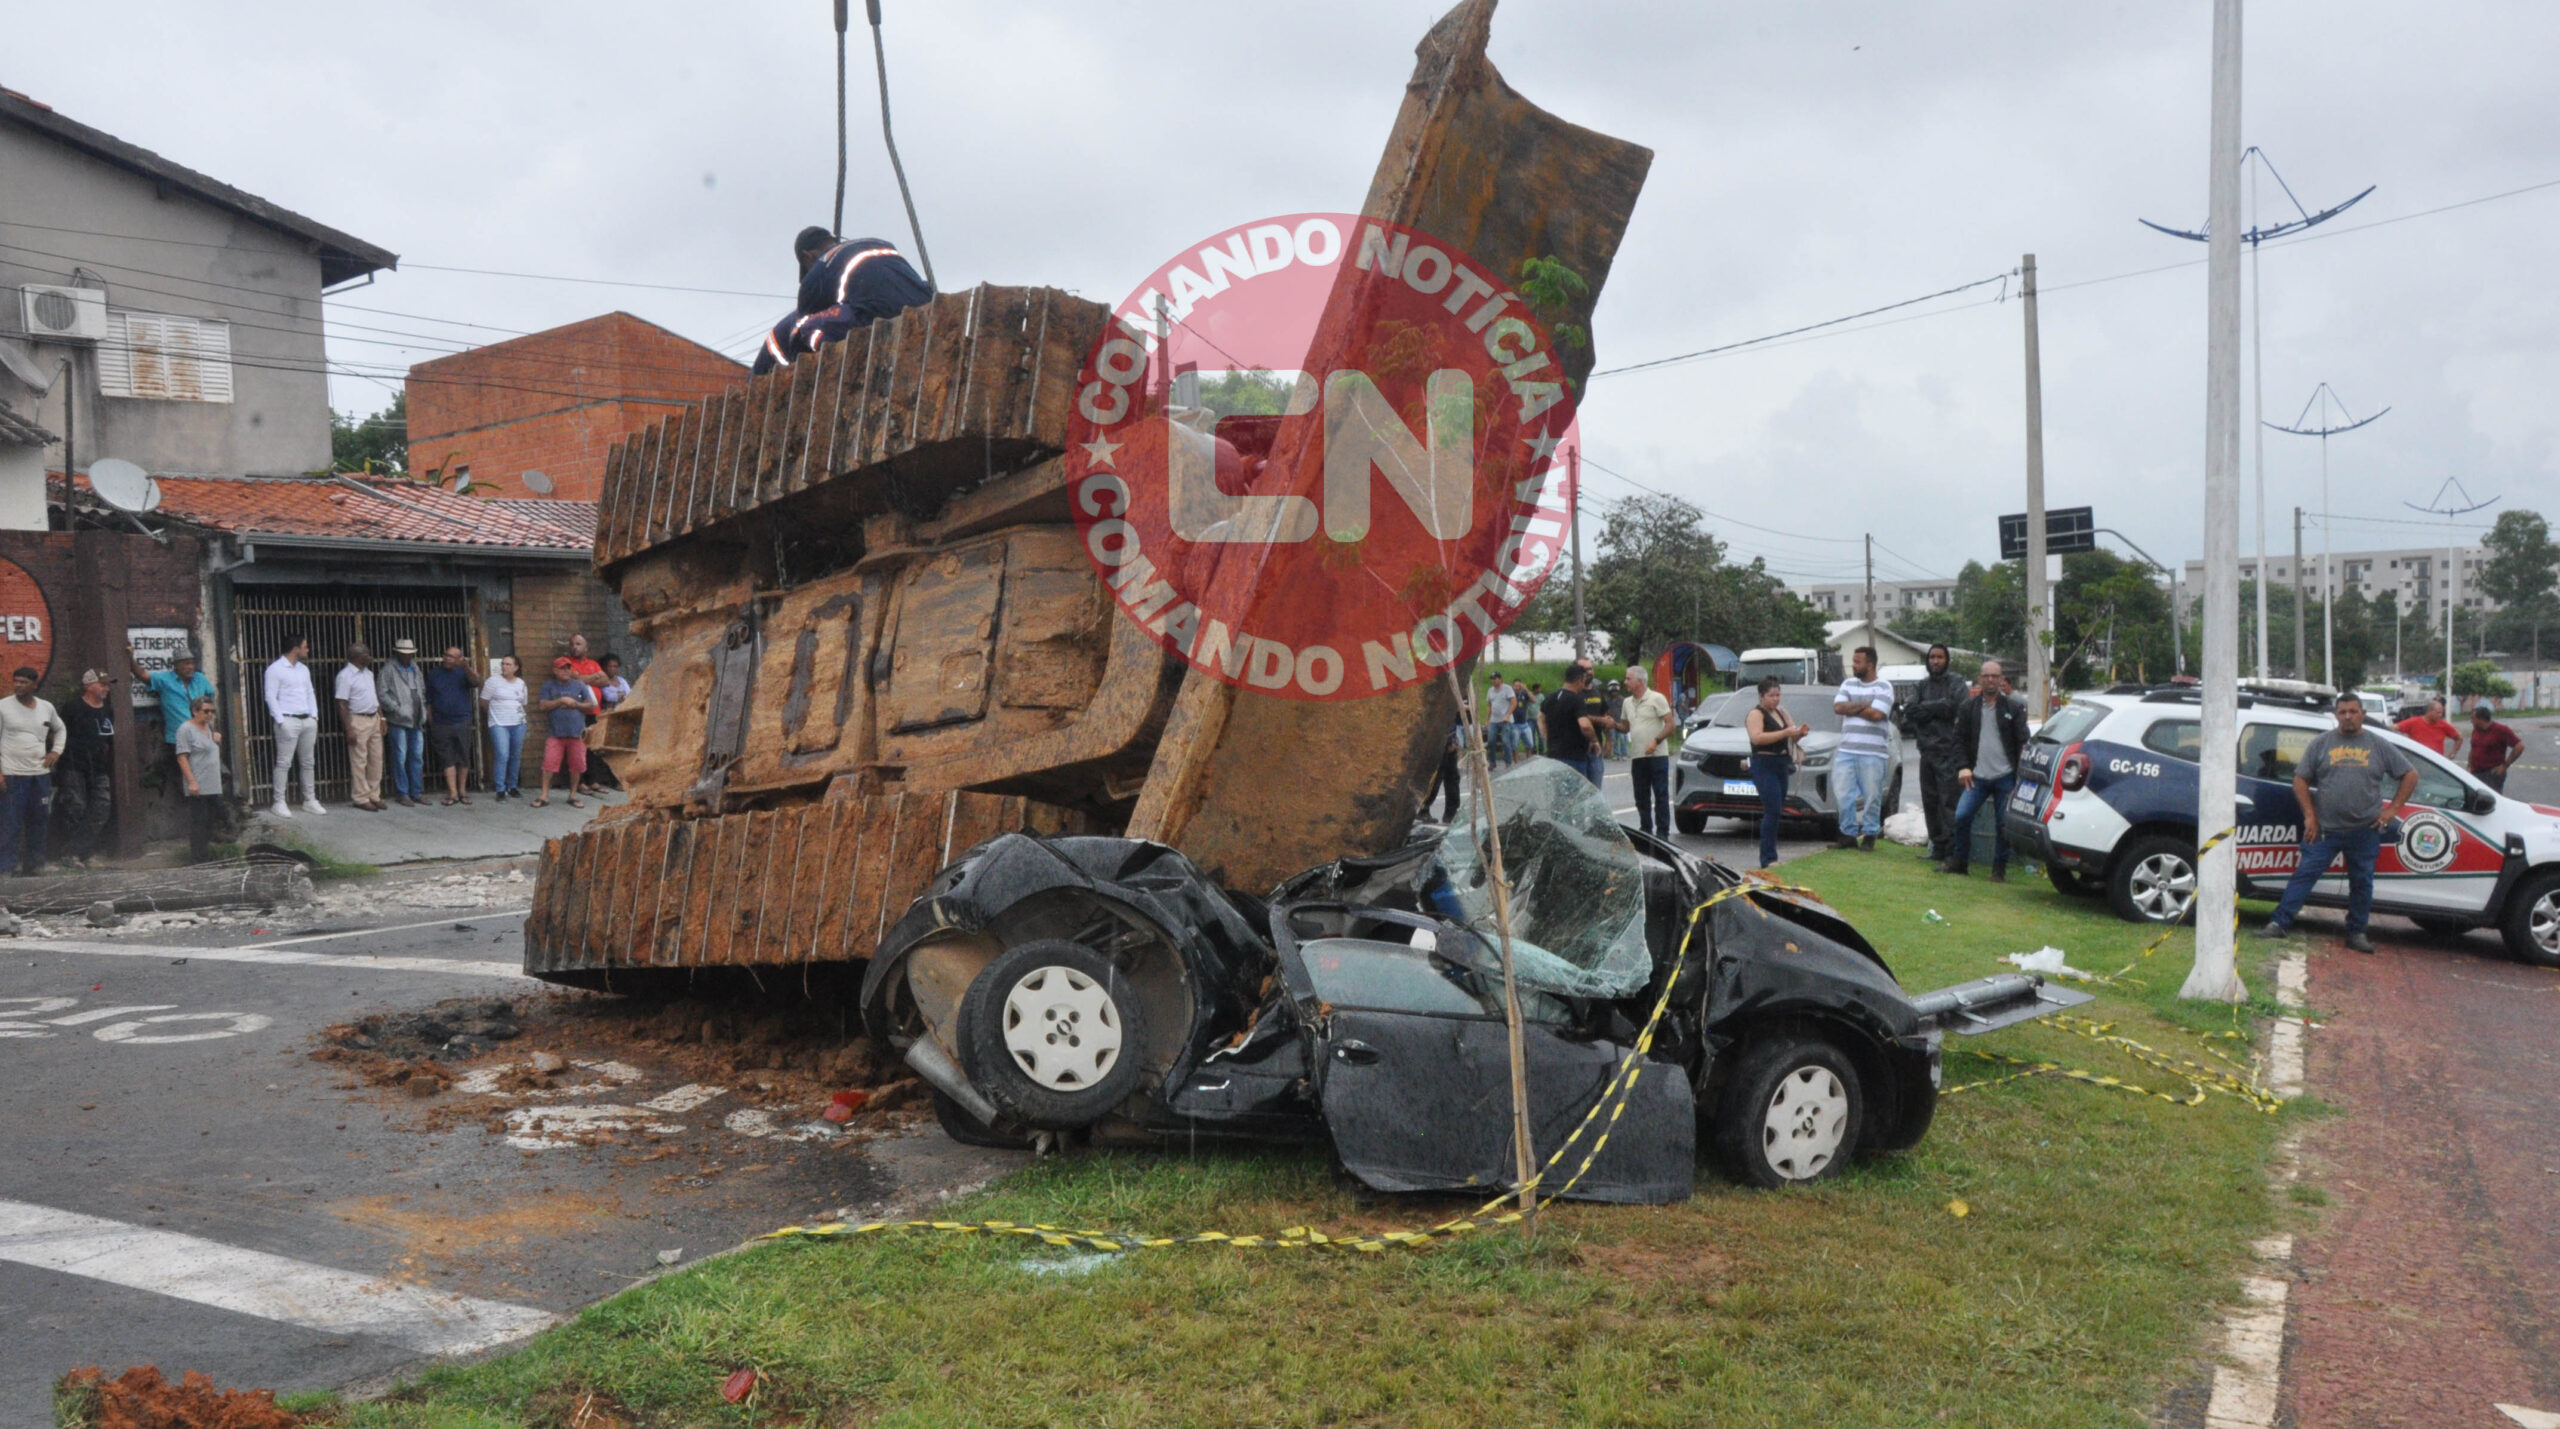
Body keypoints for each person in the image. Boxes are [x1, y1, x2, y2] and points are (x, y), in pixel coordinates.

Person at [2255, 691, 2419, 954]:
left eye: (2353, 711)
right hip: (2325, 830)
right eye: (2342, 712)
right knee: (2304, 875)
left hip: (2365, 829)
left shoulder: (2378, 744)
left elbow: (2410, 774)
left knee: (2362, 883)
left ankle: (2356, 932)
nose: (2348, 717)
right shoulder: (2322, 743)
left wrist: (2393, 810)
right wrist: (2310, 815)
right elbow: (2300, 780)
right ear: (2336, 715)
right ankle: (2279, 923)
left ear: (2362, 714)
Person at [754, 227, 935, 375]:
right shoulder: (880, 243)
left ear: (807, 256)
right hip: (926, 309)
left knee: (808, 327)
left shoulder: (817, 272)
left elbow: (798, 335)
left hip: (881, 318)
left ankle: (837, 369)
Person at [1941, 660, 2029, 882]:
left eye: (1995, 676)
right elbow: (1958, 740)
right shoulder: (1968, 708)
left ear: (2001, 680)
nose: (1991, 680)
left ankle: (1998, 870)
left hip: (2005, 776)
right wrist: (1963, 767)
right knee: (1961, 816)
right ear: (1980, 679)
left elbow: (2023, 742)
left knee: (2003, 823)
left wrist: (2021, 775)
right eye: (1986, 676)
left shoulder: (2013, 708)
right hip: (1976, 777)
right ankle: (1960, 862)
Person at [1897, 643, 1969, 864]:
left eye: (1939, 657)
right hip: (1926, 751)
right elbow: (1909, 709)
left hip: (1948, 752)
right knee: (1930, 801)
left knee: (1949, 802)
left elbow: (1955, 707)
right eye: (1932, 658)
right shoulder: (1921, 685)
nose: (1935, 661)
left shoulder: (1956, 683)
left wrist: (1926, 709)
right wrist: (1937, 708)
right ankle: (1937, 846)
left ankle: (1952, 851)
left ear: (1947, 659)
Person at [128, 642, 215, 798]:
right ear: (175, 666)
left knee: (209, 778)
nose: (190, 667)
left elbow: (210, 697)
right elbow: (142, 675)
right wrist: (130, 658)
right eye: (185, 663)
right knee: (189, 780)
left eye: (192, 663)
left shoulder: (200, 679)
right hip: (179, 737)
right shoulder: (165, 680)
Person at [1830, 646, 1895, 852]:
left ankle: (1869, 834)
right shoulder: (1848, 683)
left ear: (1870, 664)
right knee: (1843, 794)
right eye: (1853, 661)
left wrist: (1853, 706)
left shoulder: (1884, 687)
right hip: (1847, 750)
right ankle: (1847, 834)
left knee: (1872, 796)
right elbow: (1839, 708)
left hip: (1873, 752)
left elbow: (1878, 715)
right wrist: (1866, 704)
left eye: (1858, 662)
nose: (1853, 665)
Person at [0, 667, 63, 875]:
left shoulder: (46, 707)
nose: (18, 685)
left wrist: (55, 751)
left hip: (39, 775)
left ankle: (34, 866)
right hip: (12, 774)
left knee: (39, 821)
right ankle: (6, 868)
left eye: (23, 682)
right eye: (16, 681)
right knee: (10, 823)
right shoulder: (3, 707)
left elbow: (60, 729)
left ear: (35, 684)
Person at [54, 669, 116, 867]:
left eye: (108, 685)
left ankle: (79, 851)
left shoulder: (107, 709)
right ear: (88, 685)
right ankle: (76, 855)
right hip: (73, 764)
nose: (106, 688)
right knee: (75, 808)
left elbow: (108, 738)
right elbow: (57, 733)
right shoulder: (72, 707)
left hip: (98, 766)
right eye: (102, 684)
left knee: (102, 808)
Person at [1743, 677, 1806, 869]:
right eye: (1771, 696)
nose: (1775, 699)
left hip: (1781, 762)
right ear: (1762, 696)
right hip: (1764, 763)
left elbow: (1791, 733)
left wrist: (1799, 734)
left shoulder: (1781, 712)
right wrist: (1784, 733)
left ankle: (1772, 854)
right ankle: (1768, 858)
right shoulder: (1756, 714)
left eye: (1778, 695)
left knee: (1777, 809)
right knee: (1771, 809)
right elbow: (1757, 738)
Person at [262, 634, 322, 819]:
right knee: (283, 763)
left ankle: (309, 800)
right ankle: (279, 801)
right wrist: (280, 720)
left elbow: (310, 692)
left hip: (306, 720)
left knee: (308, 762)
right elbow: (270, 696)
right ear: (295, 648)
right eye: (305, 646)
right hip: (288, 720)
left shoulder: (303, 669)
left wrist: (314, 716)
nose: (307, 650)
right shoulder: (275, 669)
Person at [533, 657, 599, 808]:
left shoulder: (580, 685)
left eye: (568, 668)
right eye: (562, 668)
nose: (566, 671)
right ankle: (544, 795)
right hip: (555, 733)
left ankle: (573, 795)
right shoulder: (548, 686)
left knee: (577, 765)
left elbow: (591, 706)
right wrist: (561, 701)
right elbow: (542, 706)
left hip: (577, 733)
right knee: (549, 763)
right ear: (555, 670)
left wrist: (575, 703)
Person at [1540, 662, 1612, 787]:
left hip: (1554, 755)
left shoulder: (1551, 697)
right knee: (1577, 796)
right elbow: (1585, 725)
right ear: (1579, 680)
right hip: (1574, 757)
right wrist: (1594, 740)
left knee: (1559, 795)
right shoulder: (1576, 699)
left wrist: (1547, 736)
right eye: (1583, 680)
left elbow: (1540, 718)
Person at [1623, 666, 1674, 837]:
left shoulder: (1656, 698)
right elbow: (1625, 726)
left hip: (1657, 755)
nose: (1625, 682)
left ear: (1639, 681)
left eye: (1628, 679)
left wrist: (1656, 740)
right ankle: (1645, 829)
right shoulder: (1627, 703)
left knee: (1660, 794)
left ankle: (1663, 832)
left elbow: (1670, 724)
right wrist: (1613, 725)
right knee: (1641, 796)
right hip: (1638, 756)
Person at [425, 645, 479, 806]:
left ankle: (462, 791)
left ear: (459, 659)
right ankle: (453, 793)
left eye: (451, 656)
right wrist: (430, 720)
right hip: (441, 723)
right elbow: (428, 699)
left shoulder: (464, 672)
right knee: (447, 758)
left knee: (463, 757)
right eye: (446, 655)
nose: (447, 658)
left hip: (461, 721)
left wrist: (466, 666)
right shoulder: (434, 674)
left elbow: (476, 682)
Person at [335, 642, 385, 812]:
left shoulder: (368, 673)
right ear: (358, 656)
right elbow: (342, 703)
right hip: (357, 720)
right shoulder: (345, 676)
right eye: (366, 654)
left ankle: (373, 794)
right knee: (359, 761)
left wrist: (382, 718)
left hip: (374, 718)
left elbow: (374, 697)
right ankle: (360, 797)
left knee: (376, 759)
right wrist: (349, 728)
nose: (370, 656)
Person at [379, 639, 428, 807]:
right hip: (398, 720)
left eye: (410, 654)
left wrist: (423, 710)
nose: (408, 657)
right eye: (405, 654)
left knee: (416, 758)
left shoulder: (415, 668)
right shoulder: (388, 669)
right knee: (400, 758)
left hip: (416, 720)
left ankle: (417, 792)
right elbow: (382, 693)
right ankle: (403, 793)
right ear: (398, 653)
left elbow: (421, 689)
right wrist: (397, 708)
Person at [176, 695, 223, 863]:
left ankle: (206, 854)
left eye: (212, 711)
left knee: (210, 820)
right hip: (199, 783)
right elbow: (182, 757)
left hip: (213, 783)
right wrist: (192, 781)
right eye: (206, 711)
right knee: (199, 822)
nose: (209, 714)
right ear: (195, 711)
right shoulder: (186, 729)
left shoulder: (209, 728)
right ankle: (198, 858)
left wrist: (217, 741)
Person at [579, 651, 629, 795]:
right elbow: (609, 695)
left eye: (615, 666)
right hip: (606, 718)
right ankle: (608, 779)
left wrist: (620, 696)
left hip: (622, 718)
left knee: (619, 749)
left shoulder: (622, 680)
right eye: (609, 666)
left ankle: (618, 779)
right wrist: (621, 696)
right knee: (605, 749)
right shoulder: (602, 682)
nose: (612, 669)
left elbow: (630, 694)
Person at [482, 656, 529, 801]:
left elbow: (523, 702)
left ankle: (512, 786)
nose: (504, 667)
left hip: (518, 723)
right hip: (499, 723)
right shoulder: (493, 681)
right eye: (503, 664)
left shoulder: (521, 683)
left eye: (508, 664)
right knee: (502, 755)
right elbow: (483, 701)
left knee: (515, 755)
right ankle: (500, 789)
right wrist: (495, 714)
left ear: (516, 667)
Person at [2467, 703, 2523, 792]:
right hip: (2475, 772)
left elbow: (2519, 746)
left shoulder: (2501, 730)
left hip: (2492, 774)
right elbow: (2473, 748)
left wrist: (2505, 765)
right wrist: (2469, 765)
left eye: (2473, 719)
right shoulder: (2476, 730)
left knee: (2490, 800)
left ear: (2481, 719)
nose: (2471, 721)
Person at [2395, 696, 2463, 760]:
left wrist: (2452, 754)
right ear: (2429, 711)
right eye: (2438, 713)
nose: (2440, 715)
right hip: (2418, 761)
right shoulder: (2414, 722)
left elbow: (2459, 738)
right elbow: (2394, 728)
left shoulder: (2443, 725)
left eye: (2441, 713)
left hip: (2436, 763)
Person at [1484, 675, 1516, 767]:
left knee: (1505, 741)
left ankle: (1508, 763)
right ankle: (1492, 762)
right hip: (1494, 720)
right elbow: (1489, 705)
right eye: (1492, 679)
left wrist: (1507, 715)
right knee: (1490, 741)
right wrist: (1486, 719)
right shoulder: (1490, 690)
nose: (1493, 681)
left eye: (1495, 679)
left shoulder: (1507, 689)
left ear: (1500, 679)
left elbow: (1514, 703)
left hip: (1506, 720)